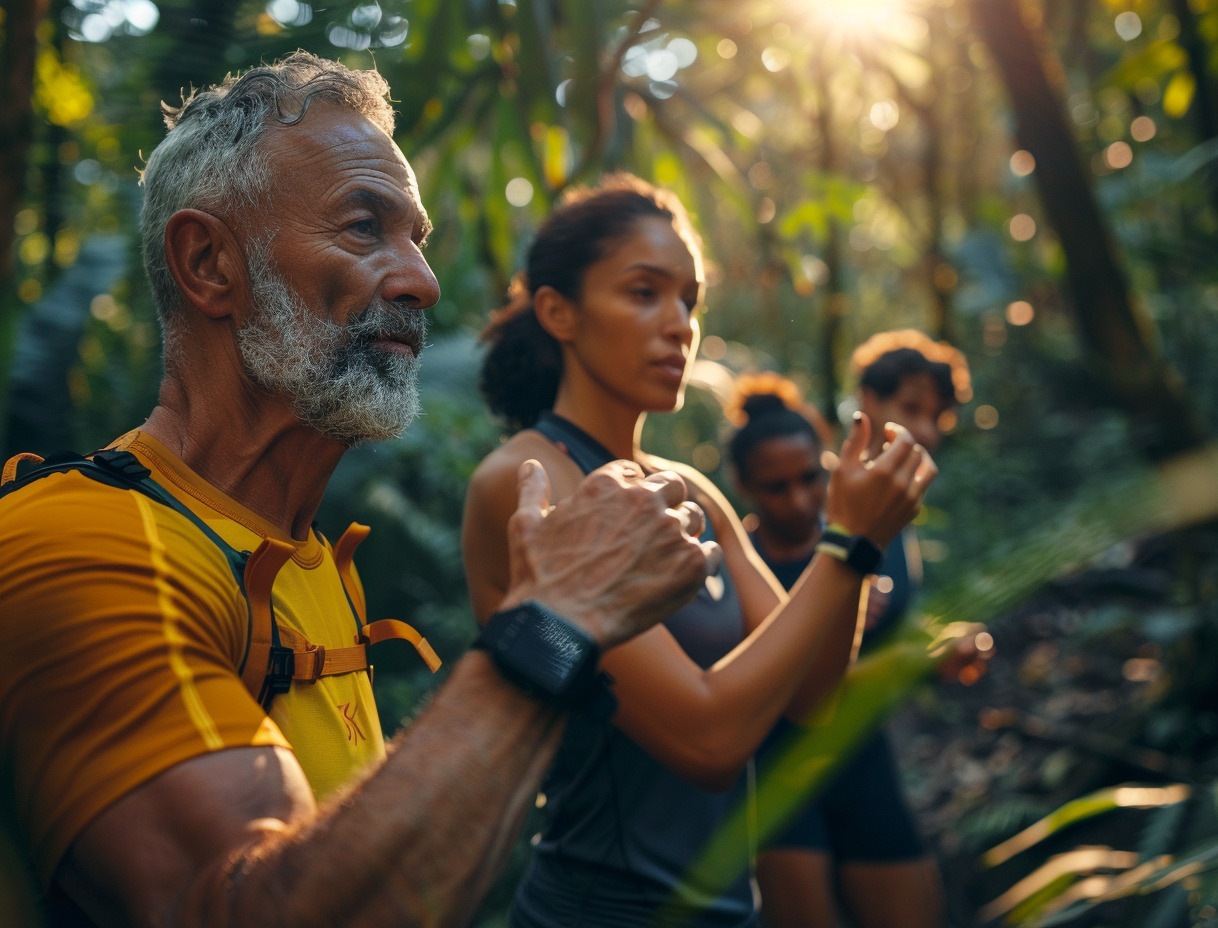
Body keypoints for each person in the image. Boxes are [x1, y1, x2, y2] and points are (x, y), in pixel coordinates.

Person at [0, 52, 724, 928]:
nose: (422, 280)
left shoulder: (303, 560)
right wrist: (554, 626)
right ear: (208, 265)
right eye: (361, 227)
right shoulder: (87, 539)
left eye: (415, 237)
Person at [461, 176, 939, 927]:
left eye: (689, 299)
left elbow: (814, 697)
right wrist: (844, 546)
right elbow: (709, 742)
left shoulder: (691, 490)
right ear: (559, 312)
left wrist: (860, 536)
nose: (679, 324)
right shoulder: (525, 484)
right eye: (644, 292)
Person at [737, 335, 976, 928]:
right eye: (912, 408)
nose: (797, 498)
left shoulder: (888, 520)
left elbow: (890, 637)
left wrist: (938, 646)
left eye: (809, 478)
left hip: (864, 759)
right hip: (779, 775)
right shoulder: (745, 561)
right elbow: (780, 686)